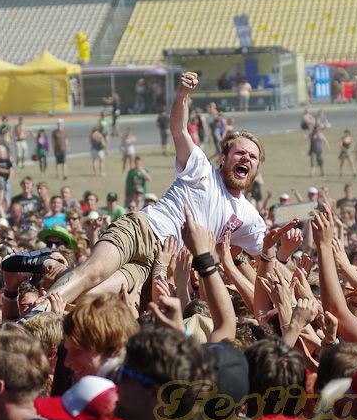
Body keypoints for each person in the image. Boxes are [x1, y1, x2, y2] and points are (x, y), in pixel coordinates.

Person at [49, 71, 271, 303]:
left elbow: (267, 258)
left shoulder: (250, 217)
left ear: (256, 167)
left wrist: (283, 257)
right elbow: (179, 130)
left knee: (92, 296)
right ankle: (37, 312)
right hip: (143, 230)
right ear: (224, 158)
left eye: (252, 157)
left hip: (161, 262)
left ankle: (57, 276)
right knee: (93, 272)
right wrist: (182, 94)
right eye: (240, 152)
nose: (246, 158)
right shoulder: (201, 168)